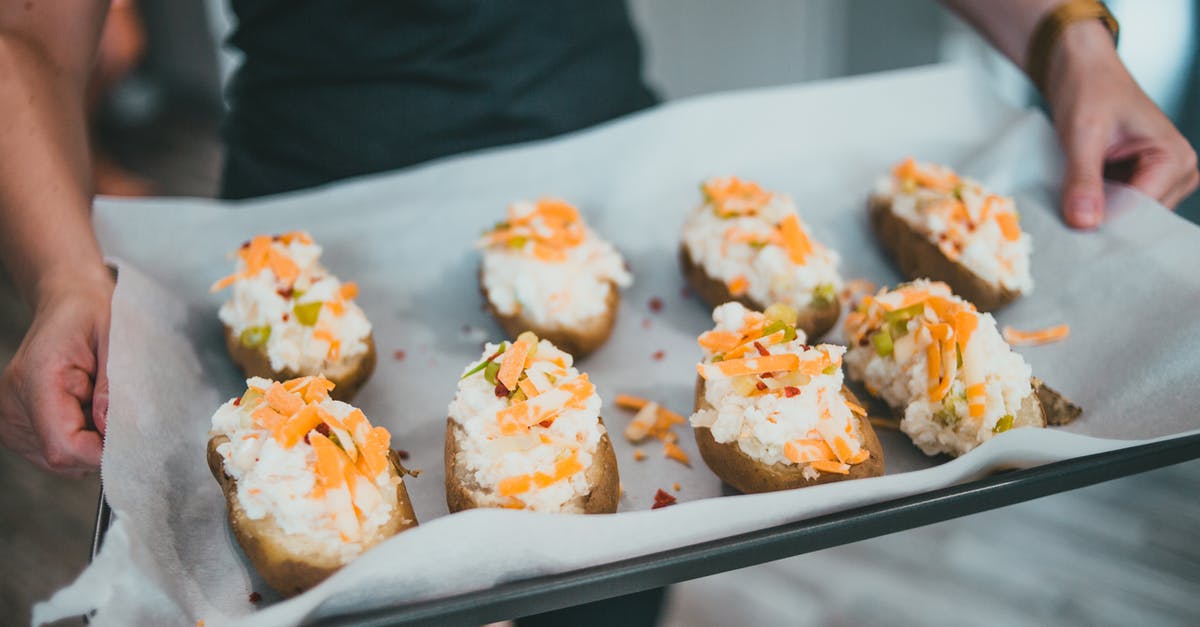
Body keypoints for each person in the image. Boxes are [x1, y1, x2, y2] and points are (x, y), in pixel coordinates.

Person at [0, 0, 1195, 480]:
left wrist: (1071, 41)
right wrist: (64, 271)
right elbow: (33, 33)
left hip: (610, 183)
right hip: (308, 204)